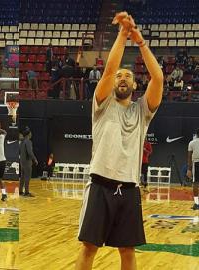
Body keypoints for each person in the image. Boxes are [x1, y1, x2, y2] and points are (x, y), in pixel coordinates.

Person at [75, 12, 163, 270]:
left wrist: (141, 42)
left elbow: (157, 78)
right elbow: (109, 70)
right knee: (89, 248)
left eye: (128, 76)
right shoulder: (101, 105)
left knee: (127, 251)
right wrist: (123, 35)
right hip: (100, 185)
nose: (122, 77)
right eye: (119, 76)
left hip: (129, 189)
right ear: (113, 83)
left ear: (135, 85)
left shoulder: (142, 111)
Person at [19, 126, 38, 197]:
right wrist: (34, 159)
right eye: (30, 133)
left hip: (22, 161)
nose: (31, 134)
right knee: (27, 177)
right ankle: (26, 192)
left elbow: (19, 152)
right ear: (28, 134)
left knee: (22, 177)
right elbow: (30, 152)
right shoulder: (28, 142)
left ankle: (20, 191)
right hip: (27, 161)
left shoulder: (21, 142)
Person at [187, 129, 199, 210]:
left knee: (195, 183)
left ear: (196, 134)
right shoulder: (192, 143)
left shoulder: (192, 142)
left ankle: (196, 203)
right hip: (196, 162)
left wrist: (189, 169)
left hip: (196, 163)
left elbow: (189, 157)